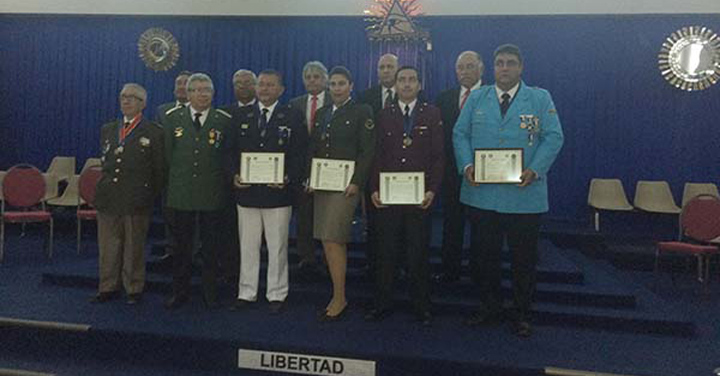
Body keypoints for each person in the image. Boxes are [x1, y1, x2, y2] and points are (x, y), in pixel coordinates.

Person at [453, 44, 564, 337]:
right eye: (499, 62)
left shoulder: (540, 98)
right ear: (492, 67)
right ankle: (489, 308)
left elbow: (554, 137)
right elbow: (459, 134)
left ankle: (521, 314)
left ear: (521, 67)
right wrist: (466, 166)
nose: (504, 68)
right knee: (483, 257)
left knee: (523, 260)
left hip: (524, 196)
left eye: (510, 63)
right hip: (482, 195)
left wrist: (536, 169)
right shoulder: (477, 98)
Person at [364, 66, 444, 327]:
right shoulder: (383, 114)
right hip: (388, 196)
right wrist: (374, 188)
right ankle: (382, 304)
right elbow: (375, 155)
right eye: (402, 80)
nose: (407, 84)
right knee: (386, 252)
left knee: (417, 253)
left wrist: (432, 189)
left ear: (420, 85)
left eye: (412, 80)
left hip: (420, 197)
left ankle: (422, 307)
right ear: (395, 85)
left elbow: (438, 157)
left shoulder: (432, 113)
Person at [231, 70, 308, 314]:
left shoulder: (293, 116)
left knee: (277, 247)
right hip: (247, 193)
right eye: (261, 84)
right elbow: (229, 152)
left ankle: (276, 293)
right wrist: (233, 174)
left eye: (270, 85)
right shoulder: (241, 115)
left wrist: (288, 177)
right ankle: (247, 292)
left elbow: (300, 153)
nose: (264, 89)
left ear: (281, 89)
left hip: (278, 194)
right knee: (248, 246)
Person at [308, 66, 376, 321]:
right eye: (333, 84)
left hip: (346, 187)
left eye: (341, 84)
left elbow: (367, 151)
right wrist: (311, 178)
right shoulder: (323, 112)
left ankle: (340, 297)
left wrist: (357, 182)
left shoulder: (362, 112)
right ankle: (338, 294)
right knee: (327, 239)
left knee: (333, 238)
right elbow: (314, 148)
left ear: (351, 86)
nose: (336, 88)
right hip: (323, 184)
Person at [164, 73, 235, 310]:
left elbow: (228, 156)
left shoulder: (223, 120)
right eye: (197, 90)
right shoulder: (172, 119)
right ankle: (179, 292)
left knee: (210, 248)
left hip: (211, 193)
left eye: (207, 90)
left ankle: (210, 292)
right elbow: (166, 157)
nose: (202, 94)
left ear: (213, 94)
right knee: (181, 248)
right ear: (188, 93)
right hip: (181, 193)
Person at [91, 83, 165, 305]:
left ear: (142, 103)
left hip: (136, 198)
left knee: (134, 246)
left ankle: (133, 287)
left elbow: (159, 169)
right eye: (123, 97)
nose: (126, 101)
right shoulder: (108, 128)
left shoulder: (153, 131)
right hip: (109, 196)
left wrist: (148, 195)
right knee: (108, 245)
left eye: (132, 97)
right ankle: (107, 286)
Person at [434, 51, 484, 284]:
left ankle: (477, 272)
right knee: (451, 223)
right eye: (460, 67)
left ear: (481, 69)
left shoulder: (491, 96)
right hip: (451, 173)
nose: (464, 71)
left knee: (481, 226)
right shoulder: (444, 98)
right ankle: (449, 271)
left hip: (484, 173)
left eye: (470, 66)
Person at [359, 53, 399, 279]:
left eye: (390, 67)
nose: (385, 70)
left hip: (402, 169)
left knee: (400, 220)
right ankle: (372, 263)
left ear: (397, 70)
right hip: (374, 166)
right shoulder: (366, 97)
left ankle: (400, 263)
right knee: (373, 221)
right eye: (382, 67)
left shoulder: (415, 95)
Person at [289, 61, 330, 273]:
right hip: (301, 168)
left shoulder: (337, 100)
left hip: (330, 167)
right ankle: (306, 256)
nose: (312, 80)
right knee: (304, 215)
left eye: (316, 76)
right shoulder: (295, 104)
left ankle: (328, 255)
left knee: (327, 215)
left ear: (326, 79)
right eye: (308, 77)